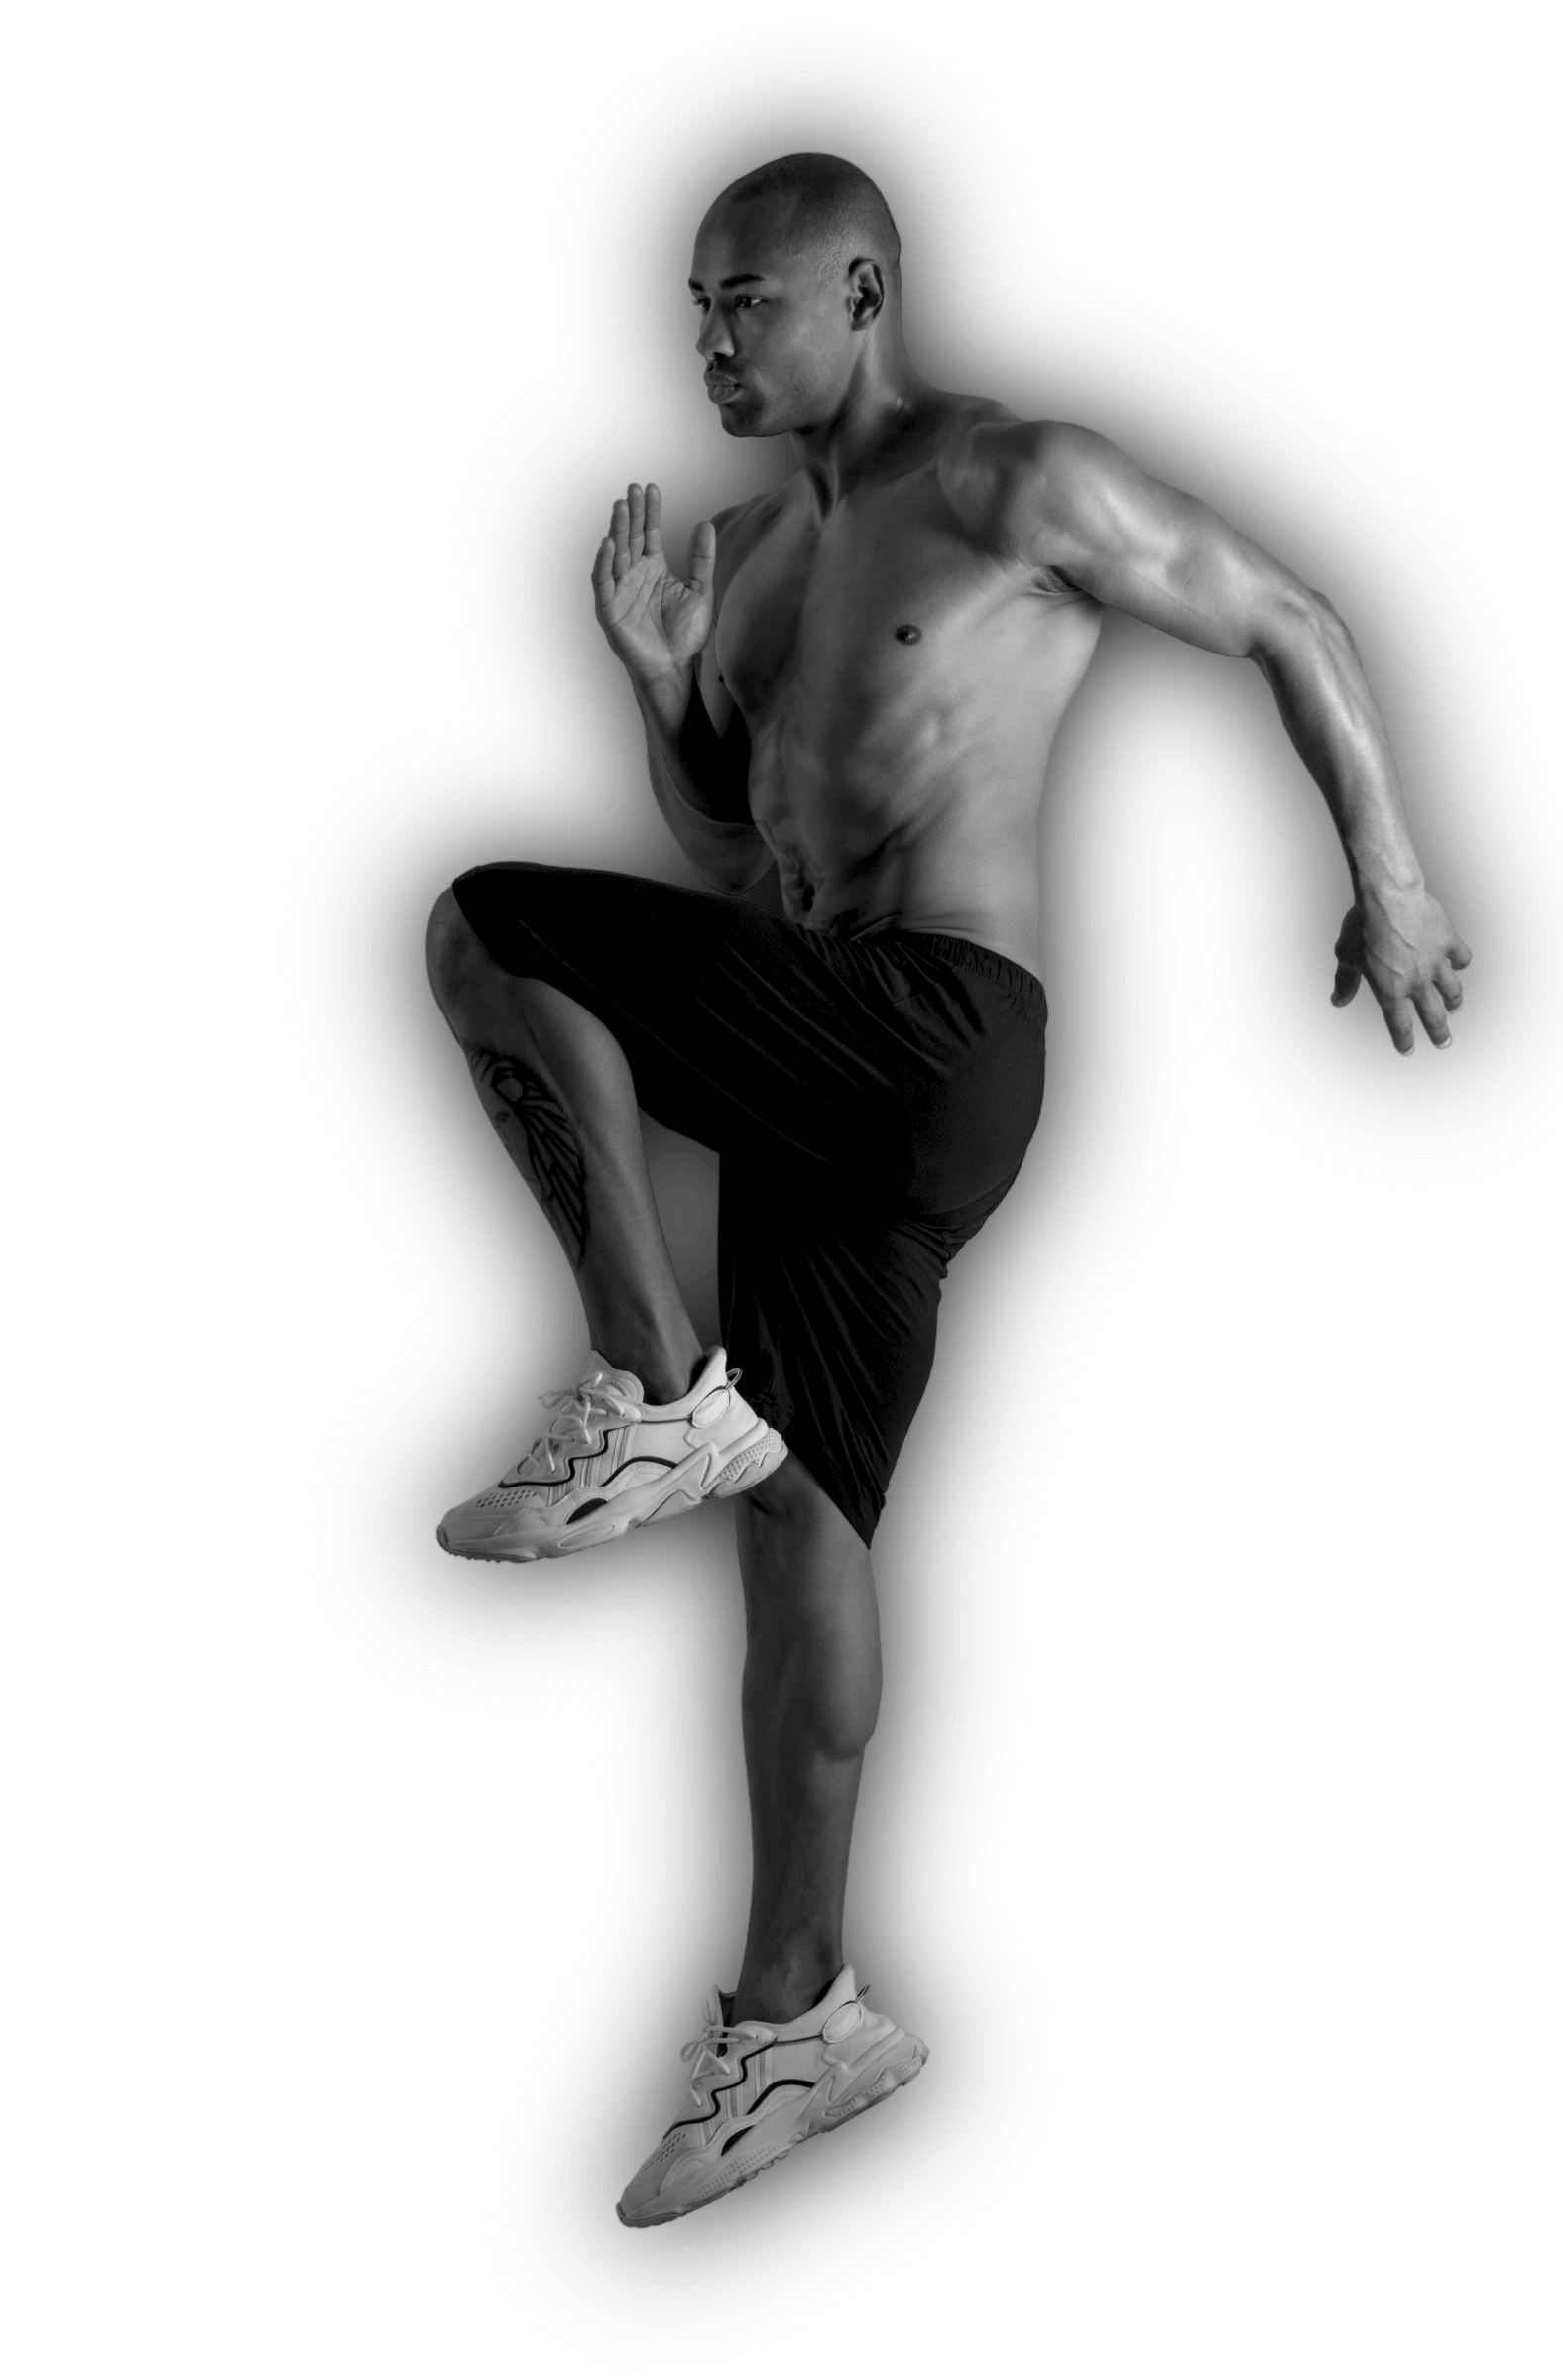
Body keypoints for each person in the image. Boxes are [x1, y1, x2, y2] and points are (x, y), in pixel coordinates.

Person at [421, 151, 1472, 2230]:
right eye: (693, 311)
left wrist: (1391, 878)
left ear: (861, 291)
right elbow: (736, 865)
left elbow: (1287, 614)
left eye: (745, 302)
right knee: (797, 1538)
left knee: (483, 929)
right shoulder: (739, 551)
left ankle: (652, 1387)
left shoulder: (1013, 479)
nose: (709, 342)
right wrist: (659, 690)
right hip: (825, 1044)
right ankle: (798, 2021)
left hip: (948, 1027)